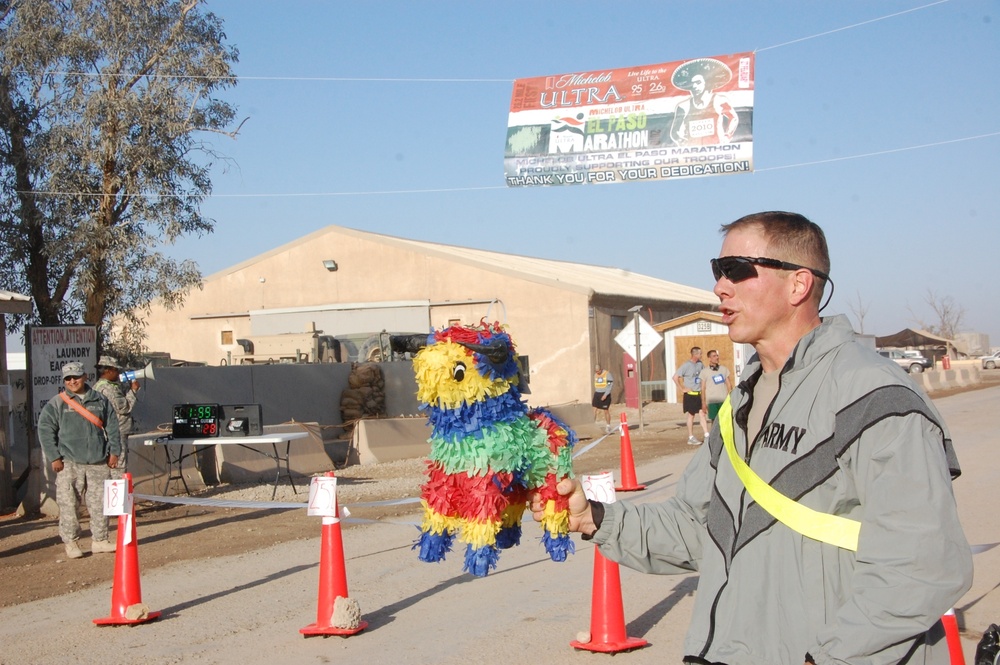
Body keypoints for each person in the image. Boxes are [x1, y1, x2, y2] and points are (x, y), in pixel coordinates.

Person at [533, 211, 972, 664]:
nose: (721, 287)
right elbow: (697, 530)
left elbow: (921, 564)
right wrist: (595, 519)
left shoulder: (874, 397)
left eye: (738, 270)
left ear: (799, 285)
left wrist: (828, 658)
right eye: (718, 271)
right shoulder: (740, 405)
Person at [38, 361, 121, 559]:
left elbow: (112, 427)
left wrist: (114, 452)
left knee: (99, 504)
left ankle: (100, 540)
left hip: (98, 461)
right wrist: (55, 457)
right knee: (69, 505)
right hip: (70, 463)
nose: (72, 381)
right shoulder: (57, 403)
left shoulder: (100, 400)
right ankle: (72, 543)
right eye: (68, 378)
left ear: (85, 376)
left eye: (76, 377)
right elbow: (45, 430)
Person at [669, 58, 739, 146]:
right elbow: (675, 132)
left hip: (716, 152)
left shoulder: (719, 100)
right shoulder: (683, 106)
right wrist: (685, 144)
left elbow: (733, 118)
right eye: (692, 83)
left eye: (698, 83)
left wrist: (727, 136)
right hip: (693, 155)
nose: (694, 86)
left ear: (706, 83)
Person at [93, 355, 139, 477]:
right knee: (118, 466)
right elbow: (124, 407)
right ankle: (118, 492)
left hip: (108, 433)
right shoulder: (108, 388)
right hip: (117, 432)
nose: (118, 373)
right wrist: (133, 391)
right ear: (109, 370)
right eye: (116, 370)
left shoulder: (99, 386)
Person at [674, 347, 708, 445]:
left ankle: (706, 435)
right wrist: (682, 389)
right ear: (695, 354)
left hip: (699, 393)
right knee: (691, 415)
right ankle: (691, 437)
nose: (701, 355)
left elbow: (704, 375)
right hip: (690, 394)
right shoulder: (686, 365)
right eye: (700, 354)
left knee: (702, 413)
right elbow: (675, 377)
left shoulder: (700, 364)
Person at [698, 349, 732, 423]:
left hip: (723, 400)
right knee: (715, 421)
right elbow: (703, 388)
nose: (716, 357)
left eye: (717, 356)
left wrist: (730, 398)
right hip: (712, 401)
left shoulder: (724, 370)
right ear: (709, 358)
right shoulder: (704, 372)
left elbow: (729, 385)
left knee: (725, 421)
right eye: (714, 356)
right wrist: (703, 403)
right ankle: (714, 435)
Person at [591, 364, 613, 432]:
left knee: (605, 410)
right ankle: (592, 425)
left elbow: (610, 385)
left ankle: (608, 426)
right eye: (596, 371)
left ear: (601, 369)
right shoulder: (595, 375)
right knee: (594, 409)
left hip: (604, 393)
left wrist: (606, 394)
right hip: (597, 393)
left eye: (598, 371)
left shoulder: (607, 374)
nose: (597, 372)